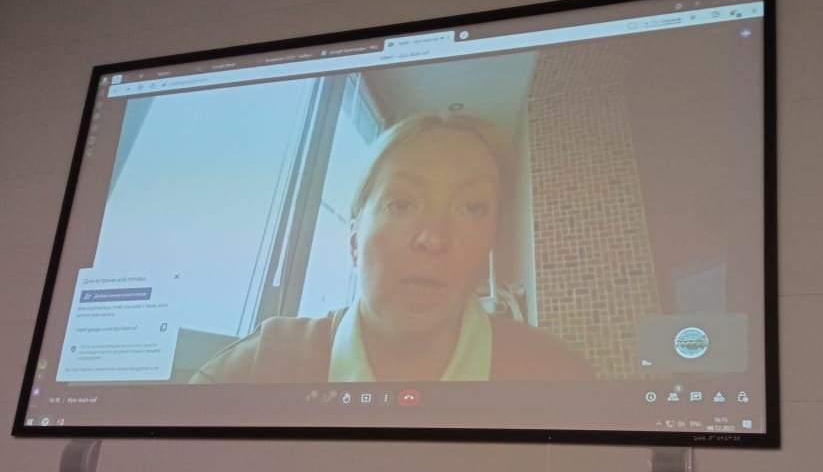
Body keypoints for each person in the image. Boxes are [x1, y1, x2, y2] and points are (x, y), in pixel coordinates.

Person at [191, 113, 592, 383]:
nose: (434, 238)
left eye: (472, 208)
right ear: (354, 239)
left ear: (491, 242)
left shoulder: (558, 378)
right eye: (400, 204)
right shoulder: (256, 370)